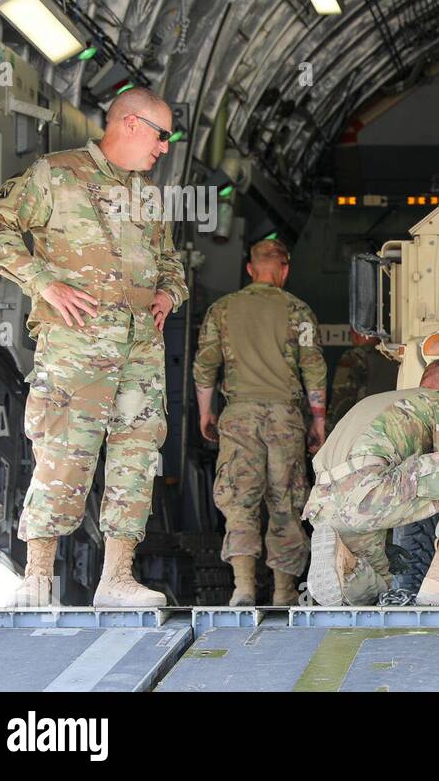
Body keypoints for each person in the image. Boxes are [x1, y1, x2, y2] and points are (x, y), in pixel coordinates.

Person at [0, 87, 187, 606]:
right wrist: (43, 281)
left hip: (140, 353)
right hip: (77, 349)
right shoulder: (55, 174)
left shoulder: (150, 197)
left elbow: (171, 262)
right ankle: (37, 577)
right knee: (63, 454)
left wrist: (168, 294)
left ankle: (116, 580)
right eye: (162, 137)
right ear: (132, 124)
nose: (164, 149)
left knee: (136, 459)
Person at [303, 357, 439, 606]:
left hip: (324, 505)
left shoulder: (376, 402)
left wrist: (386, 543)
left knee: (378, 586)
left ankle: (345, 561)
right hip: (369, 493)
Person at [193, 239, 327, 605]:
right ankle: (284, 592)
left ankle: (244, 587)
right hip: (285, 418)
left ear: (250, 270)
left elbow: (205, 366)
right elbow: (313, 369)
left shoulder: (223, 309)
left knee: (239, 500)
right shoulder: (298, 310)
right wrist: (318, 421)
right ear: (284, 270)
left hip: (239, 417)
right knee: (285, 503)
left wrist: (206, 412)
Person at [329, 329, 399, 427]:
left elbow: (341, 397)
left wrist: (332, 429)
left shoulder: (354, 356)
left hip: (360, 426)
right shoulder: (395, 355)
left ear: (356, 334)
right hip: (390, 423)